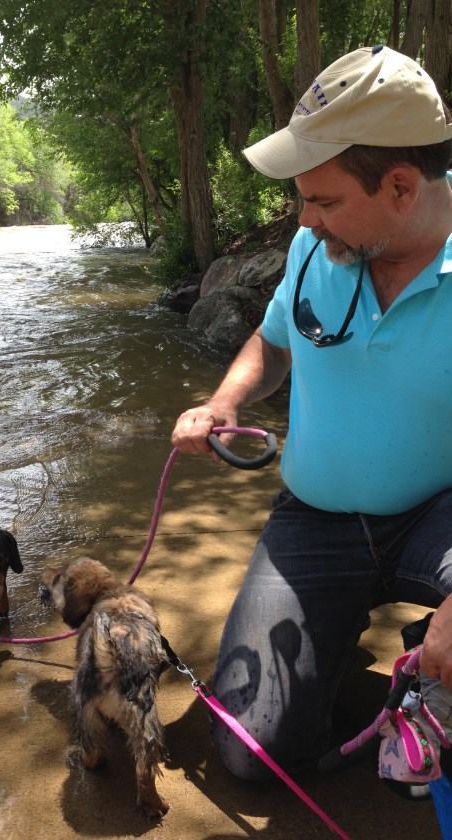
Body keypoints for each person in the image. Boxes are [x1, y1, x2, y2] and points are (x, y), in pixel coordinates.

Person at [171, 44, 452, 781]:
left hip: (441, 514)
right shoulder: (311, 246)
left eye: (323, 200)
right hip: (317, 516)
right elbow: (272, 340)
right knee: (249, 755)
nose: (306, 220)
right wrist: (223, 400)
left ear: (399, 186)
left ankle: (434, 654)